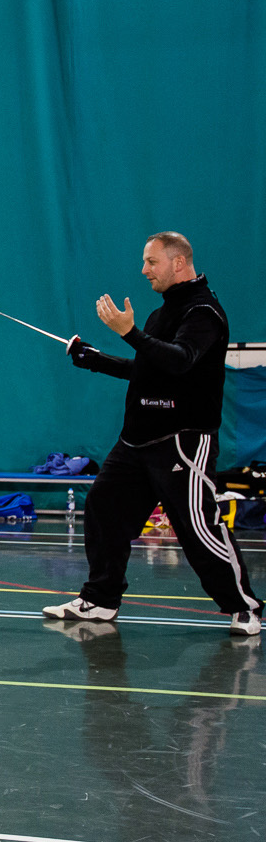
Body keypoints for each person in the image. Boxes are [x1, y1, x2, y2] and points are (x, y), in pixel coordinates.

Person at [46, 232, 261, 635]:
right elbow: (148, 368)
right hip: (136, 440)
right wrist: (96, 359)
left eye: (151, 262)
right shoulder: (161, 314)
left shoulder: (204, 313)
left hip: (183, 440)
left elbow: (179, 362)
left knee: (198, 527)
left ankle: (244, 606)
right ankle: (100, 600)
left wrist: (129, 334)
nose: (144, 270)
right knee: (104, 507)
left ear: (178, 263)